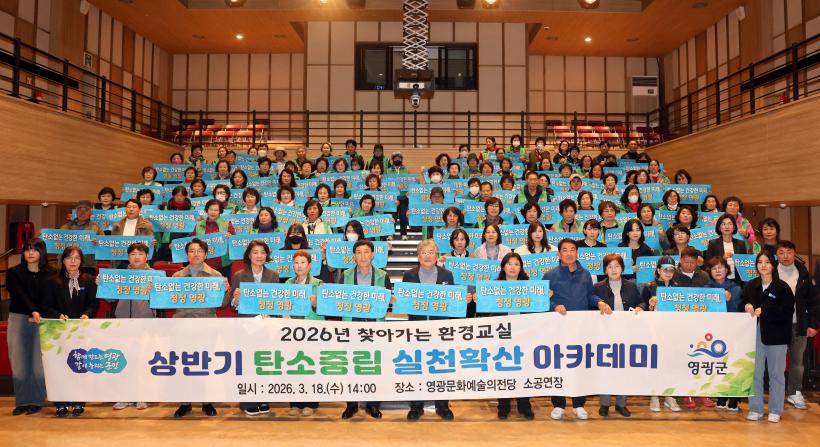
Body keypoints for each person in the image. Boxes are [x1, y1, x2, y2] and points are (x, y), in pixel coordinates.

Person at [543, 239, 611, 420]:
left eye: (572, 250)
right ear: (559, 254)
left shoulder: (585, 274)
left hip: (581, 328)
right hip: (558, 328)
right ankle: (558, 404)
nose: (569, 253)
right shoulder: (550, 275)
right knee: (558, 366)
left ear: (577, 253)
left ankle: (578, 404)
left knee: (580, 366)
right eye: (565, 250)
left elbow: (590, 295)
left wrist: (599, 302)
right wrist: (554, 306)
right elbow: (542, 299)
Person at [172, 238, 231, 418]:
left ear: (206, 254)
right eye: (191, 251)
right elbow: (168, 300)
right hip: (182, 324)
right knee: (185, 365)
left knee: (205, 365)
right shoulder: (177, 277)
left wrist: (226, 290)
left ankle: (207, 401)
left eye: (199, 251)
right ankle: (185, 403)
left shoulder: (215, 275)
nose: (195, 254)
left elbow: (223, 303)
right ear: (187, 254)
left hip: (206, 324)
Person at [97, 242, 155, 411]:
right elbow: (110, 299)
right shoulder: (119, 275)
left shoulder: (155, 276)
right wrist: (102, 285)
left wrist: (155, 290)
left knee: (142, 360)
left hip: (145, 322)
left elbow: (162, 300)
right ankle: (124, 395)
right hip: (122, 322)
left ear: (147, 257)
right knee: (123, 360)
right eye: (133, 254)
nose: (136, 257)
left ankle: (142, 396)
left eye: (140, 254)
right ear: (128, 257)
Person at [339, 239, 393, 419]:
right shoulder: (345, 275)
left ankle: (373, 405)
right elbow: (337, 301)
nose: (363, 256)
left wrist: (391, 300)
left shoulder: (383, 275)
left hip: (374, 327)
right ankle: (351, 405)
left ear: (373, 254)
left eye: (366, 252)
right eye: (359, 252)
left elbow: (387, 302)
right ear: (353, 256)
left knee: (374, 366)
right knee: (350, 366)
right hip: (351, 326)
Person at [42, 246, 98, 417]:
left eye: (76, 258)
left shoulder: (88, 280)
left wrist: (87, 314)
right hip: (59, 330)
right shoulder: (53, 281)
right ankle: (61, 402)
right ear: (63, 260)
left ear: (81, 261)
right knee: (59, 367)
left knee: (79, 365)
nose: (73, 261)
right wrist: (57, 315)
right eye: (69, 258)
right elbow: (46, 305)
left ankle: (79, 401)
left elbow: (93, 303)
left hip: (81, 329)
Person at [404, 239, 457, 421]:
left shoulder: (447, 275)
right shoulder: (409, 275)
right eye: (424, 252)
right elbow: (405, 302)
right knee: (417, 368)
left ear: (437, 256)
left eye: (431, 252)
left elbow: (452, 301)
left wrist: (462, 299)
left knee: (440, 367)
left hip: (440, 329)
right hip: (417, 329)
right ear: (418, 256)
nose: (427, 256)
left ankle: (442, 406)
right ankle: (416, 406)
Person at [229, 240, 280, 417]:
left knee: (264, 363)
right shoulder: (238, 275)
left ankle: (263, 398)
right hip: (246, 326)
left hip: (266, 326)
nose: (259, 256)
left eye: (262, 252)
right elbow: (233, 305)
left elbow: (277, 301)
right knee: (248, 364)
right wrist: (236, 299)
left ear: (267, 255)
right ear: (249, 255)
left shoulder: (273, 275)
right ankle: (248, 401)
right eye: (255, 252)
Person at [743, 251, 795, 423]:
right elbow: (742, 301)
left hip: (777, 336)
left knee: (776, 375)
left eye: (767, 262)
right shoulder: (751, 285)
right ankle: (755, 408)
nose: (763, 265)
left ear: (773, 265)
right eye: (760, 262)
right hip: (754, 335)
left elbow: (787, 311)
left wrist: (766, 310)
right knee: (755, 374)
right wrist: (747, 305)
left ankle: (775, 409)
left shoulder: (782, 287)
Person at [594, 254, 644, 417]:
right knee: (605, 369)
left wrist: (641, 307)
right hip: (604, 334)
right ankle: (605, 403)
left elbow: (641, 302)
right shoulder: (598, 287)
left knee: (624, 369)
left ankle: (621, 404)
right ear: (605, 270)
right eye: (610, 266)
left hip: (626, 334)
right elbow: (591, 305)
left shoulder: (631, 286)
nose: (614, 269)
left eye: (617, 266)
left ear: (622, 268)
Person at [7, 238, 50, 416]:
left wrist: (40, 312)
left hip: (43, 321)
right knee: (19, 363)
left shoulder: (50, 273)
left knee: (38, 365)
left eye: (35, 249)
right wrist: (33, 310)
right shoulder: (14, 272)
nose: (30, 253)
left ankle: (36, 401)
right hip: (19, 319)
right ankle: (22, 402)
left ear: (42, 253)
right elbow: (19, 294)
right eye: (27, 249)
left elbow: (52, 297)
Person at [775, 241, 819, 411]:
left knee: (797, 362)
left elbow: (814, 302)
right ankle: (776, 392)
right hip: (776, 326)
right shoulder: (770, 272)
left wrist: (813, 324)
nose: (785, 256)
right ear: (777, 255)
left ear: (795, 254)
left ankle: (794, 392)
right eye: (781, 252)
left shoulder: (804, 274)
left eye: (789, 252)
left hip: (798, 325)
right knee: (776, 361)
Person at [492, 252, 535, 420]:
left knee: (523, 370)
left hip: (523, 334)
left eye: (516, 264)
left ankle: (524, 405)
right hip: (502, 333)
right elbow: (486, 312)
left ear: (521, 268)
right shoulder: (493, 286)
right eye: (509, 264)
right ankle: (503, 405)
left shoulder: (529, 286)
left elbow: (537, 310)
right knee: (503, 370)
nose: (512, 267)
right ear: (503, 267)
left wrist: (546, 297)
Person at [284, 250, 325, 415]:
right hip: (291, 331)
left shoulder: (318, 284)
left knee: (310, 367)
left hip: (311, 331)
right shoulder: (287, 284)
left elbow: (326, 309)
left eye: (303, 262)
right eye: (296, 263)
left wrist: (316, 304)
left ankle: (311, 403)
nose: (299, 266)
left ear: (309, 266)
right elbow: (282, 305)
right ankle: (295, 403)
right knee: (293, 366)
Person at [641, 256, 682, 412]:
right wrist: (650, 305)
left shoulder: (677, 287)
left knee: (671, 363)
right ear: (658, 270)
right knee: (655, 363)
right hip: (653, 331)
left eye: (671, 270)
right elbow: (642, 308)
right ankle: (654, 395)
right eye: (665, 269)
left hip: (672, 331)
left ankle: (670, 396)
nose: (668, 273)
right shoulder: (649, 287)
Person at [705, 256, 743, 412]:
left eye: (720, 267)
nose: (717, 271)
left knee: (732, 363)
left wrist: (729, 300)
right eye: (714, 268)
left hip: (732, 332)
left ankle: (734, 396)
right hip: (713, 332)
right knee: (717, 364)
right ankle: (720, 394)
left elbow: (738, 310)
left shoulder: (736, 288)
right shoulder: (706, 289)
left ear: (727, 270)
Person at [194, 199, 236, 277]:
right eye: (211, 209)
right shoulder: (199, 224)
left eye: (216, 210)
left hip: (223, 264)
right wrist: (175, 246)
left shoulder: (227, 224)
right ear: (206, 210)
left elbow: (234, 242)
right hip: (203, 264)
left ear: (220, 212)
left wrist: (230, 238)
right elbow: (192, 242)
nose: (213, 212)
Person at [60, 200, 104, 275]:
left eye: (86, 210)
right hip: (66, 265)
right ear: (76, 212)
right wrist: (44, 235)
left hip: (87, 265)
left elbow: (104, 247)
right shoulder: (65, 227)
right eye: (80, 210)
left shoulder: (96, 228)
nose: (82, 213)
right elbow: (55, 243)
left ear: (91, 212)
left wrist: (98, 244)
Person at [703, 213, 748, 283]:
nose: (727, 226)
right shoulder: (713, 243)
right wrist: (722, 259)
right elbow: (708, 264)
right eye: (723, 224)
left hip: (738, 281)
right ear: (719, 227)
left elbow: (745, 265)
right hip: (719, 281)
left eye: (730, 224)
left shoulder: (741, 243)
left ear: (734, 227)